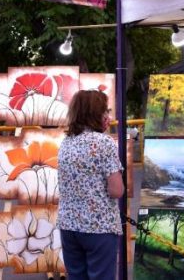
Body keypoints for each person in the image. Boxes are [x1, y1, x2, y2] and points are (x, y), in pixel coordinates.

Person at [57, 90, 124, 280]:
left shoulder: (66, 142)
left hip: (69, 225)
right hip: (99, 227)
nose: (108, 117)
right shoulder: (104, 143)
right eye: (105, 111)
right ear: (95, 113)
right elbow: (116, 190)